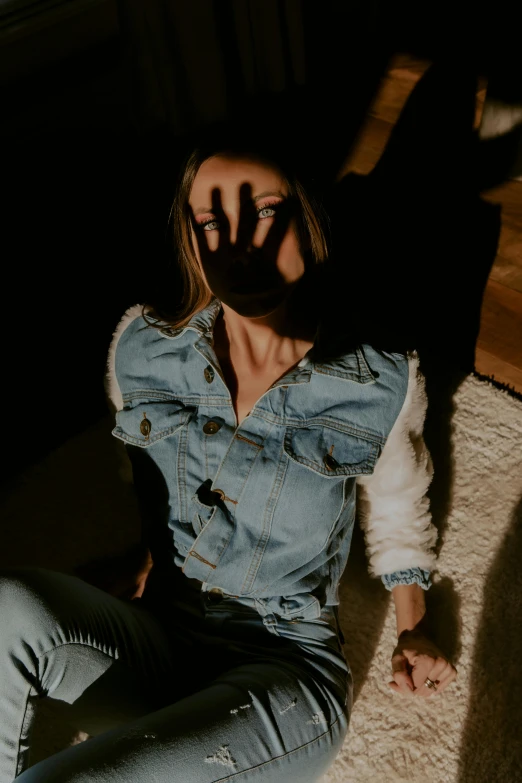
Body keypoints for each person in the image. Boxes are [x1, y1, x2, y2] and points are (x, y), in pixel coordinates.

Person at [0, 134, 457, 783]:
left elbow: (397, 512)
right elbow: (151, 483)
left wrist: (416, 628)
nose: (238, 243)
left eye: (265, 212)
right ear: (191, 240)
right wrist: (142, 561)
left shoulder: (376, 382)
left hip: (284, 669)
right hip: (162, 637)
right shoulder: (140, 352)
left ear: (310, 218)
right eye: (211, 222)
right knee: (7, 606)